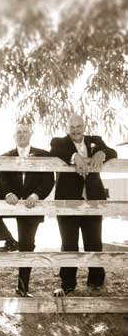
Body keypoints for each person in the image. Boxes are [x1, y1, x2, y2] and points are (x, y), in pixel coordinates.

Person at [50, 114, 117, 297]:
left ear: (84, 126)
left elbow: (112, 152)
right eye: (72, 126)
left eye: (79, 126)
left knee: (94, 242)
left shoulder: (95, 140)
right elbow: (55, 151)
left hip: (93, 201)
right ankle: (68, 284)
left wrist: (101, 153)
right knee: (69, 243)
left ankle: (96, 282)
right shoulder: (59, 142)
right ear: (67, 127)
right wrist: (75, 156)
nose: (75, 130)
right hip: (68, 202)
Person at [0, 122, 54, 297]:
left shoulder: (43, 155)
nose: (22, 134)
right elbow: (0, 181)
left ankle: (22, 288)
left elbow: (48, 180)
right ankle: (8, 239)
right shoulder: (5, 156)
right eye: (18, 132)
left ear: (31, 134)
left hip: (31, 204)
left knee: (27, 245)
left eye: (25, 132)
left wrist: (37, 195)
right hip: (10, 201)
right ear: (14, 135)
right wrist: (7, 193)